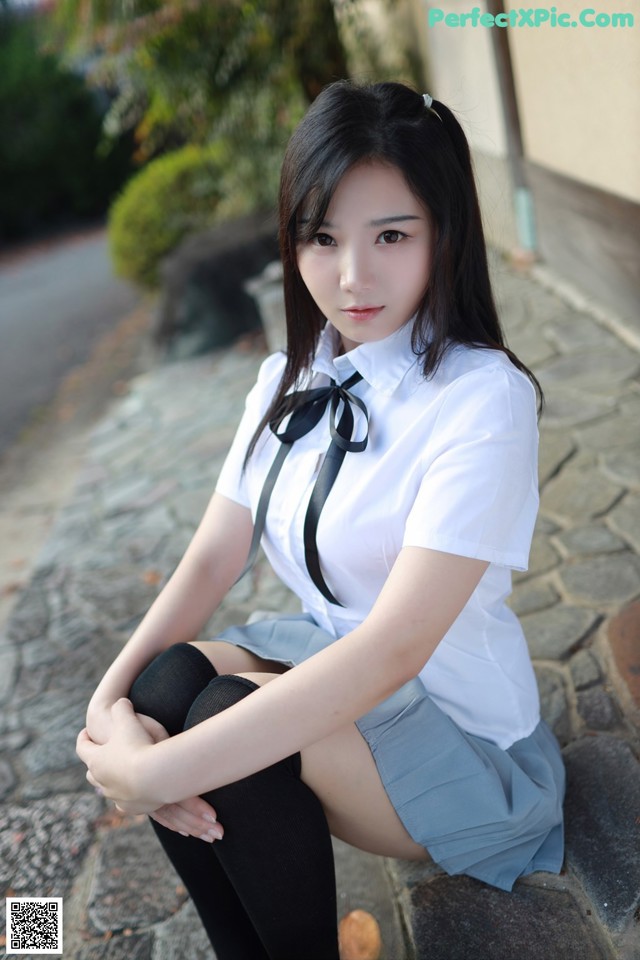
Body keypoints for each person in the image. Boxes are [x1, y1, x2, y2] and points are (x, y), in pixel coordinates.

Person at [76, 80, 565, 960]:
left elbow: (394, 651)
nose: (352, 277)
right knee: (162, 690)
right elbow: (209, 561)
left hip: (463, 746)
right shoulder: (289, 377)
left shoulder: (481, 399)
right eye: (322, 237)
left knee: (223, 723)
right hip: (344, 681)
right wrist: (105, 708)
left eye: (390, 237)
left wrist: (149, 775)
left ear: (444, 235)